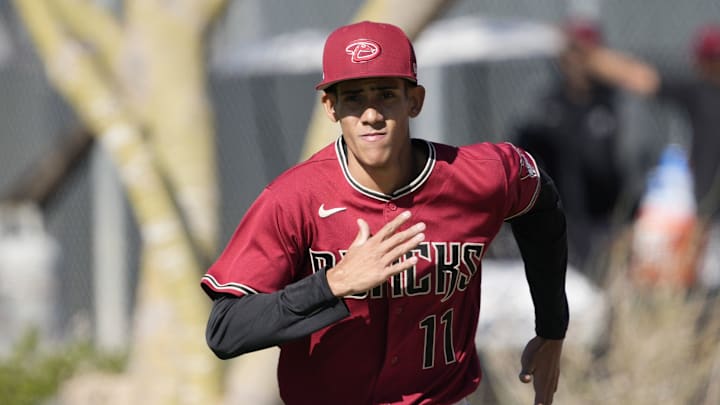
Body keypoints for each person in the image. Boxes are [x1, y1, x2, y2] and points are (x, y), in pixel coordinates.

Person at [201, 20, 569, 405]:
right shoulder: (294, 199)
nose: (371, 113)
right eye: (354, 97)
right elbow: (226, 330)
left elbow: (541, 204)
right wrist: (332, 283)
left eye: (386, 95)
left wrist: (552, 328)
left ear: (415, 100)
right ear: (331, 106)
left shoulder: (479, 176)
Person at [581, 22, 720, 287]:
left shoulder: (702, 92)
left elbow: (639, 77)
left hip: (707, 210)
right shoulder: (700, 92)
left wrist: (588, 55)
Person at [513, 18, 629, 279]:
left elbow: (632, 161)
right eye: (574, 53)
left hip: (608, 221)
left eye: (587, 54)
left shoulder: (615, 103)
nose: (579, 62)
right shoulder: (548, 106)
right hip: (562, 220)